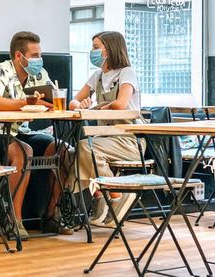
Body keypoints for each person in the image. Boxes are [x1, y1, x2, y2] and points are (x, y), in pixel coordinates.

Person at [0, 31, 72, 236]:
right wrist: (25, 104)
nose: (40, 60)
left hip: (23, 131)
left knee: (62, 149)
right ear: (19, 56)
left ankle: (51, 216)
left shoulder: (40, 74)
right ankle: (14, 221)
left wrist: (48, 105)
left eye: (40, 54)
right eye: (35, 55)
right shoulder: (0, 71)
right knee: (24, 150)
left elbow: (49, 103)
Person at [68, 31, 143, 227]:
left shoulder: (127, 72)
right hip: (107, 140)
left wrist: (96, 107)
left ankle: (116, 196)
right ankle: (100, 195)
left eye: (95, 47)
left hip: (130, 140)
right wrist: (81, 105)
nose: (92, 51)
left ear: (108, 50)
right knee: (77, 151)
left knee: (86, 148)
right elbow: (72, 102)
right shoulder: (97, 76)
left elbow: (120, 104)